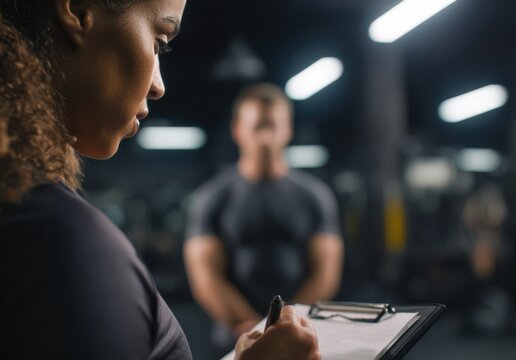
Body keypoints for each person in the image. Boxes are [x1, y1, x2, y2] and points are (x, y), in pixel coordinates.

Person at [0, 1, 320, 359]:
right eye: (159, 41)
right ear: (76, 10)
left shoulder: (35, 219)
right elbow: (206, 276)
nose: (158, 86)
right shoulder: (59, 243)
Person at [183, 84, 344, 352]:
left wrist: (287, 327)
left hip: (298, 338)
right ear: (238, 130)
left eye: (273, 126)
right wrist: (252, 329)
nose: (266, 136)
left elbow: (326, 273)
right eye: (258, 126)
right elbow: (205, 278)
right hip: (235, 338)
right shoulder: (212, 198)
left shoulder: (315, 196)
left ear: (288, 129)